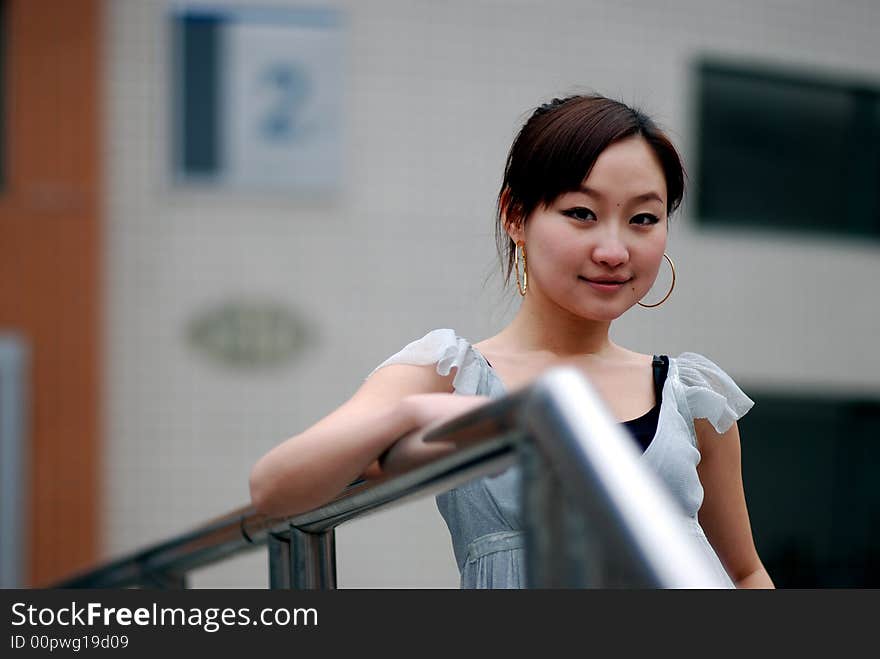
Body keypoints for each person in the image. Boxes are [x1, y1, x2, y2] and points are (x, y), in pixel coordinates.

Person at [249, 94, 774, 589]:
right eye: (581, 214)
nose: (614, 250)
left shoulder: (690, 394)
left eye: (643, 219)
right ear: (515, 215)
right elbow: (274, 489)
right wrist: (407, 416)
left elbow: (745, 573)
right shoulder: (454, 373)